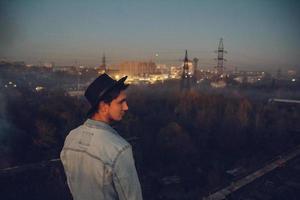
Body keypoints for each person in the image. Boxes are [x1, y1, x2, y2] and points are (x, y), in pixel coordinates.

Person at [60, 73, 143, 200]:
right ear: (104, 107)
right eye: (121, 102)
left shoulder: (71, 138)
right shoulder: (119, 149)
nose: (126, 107)